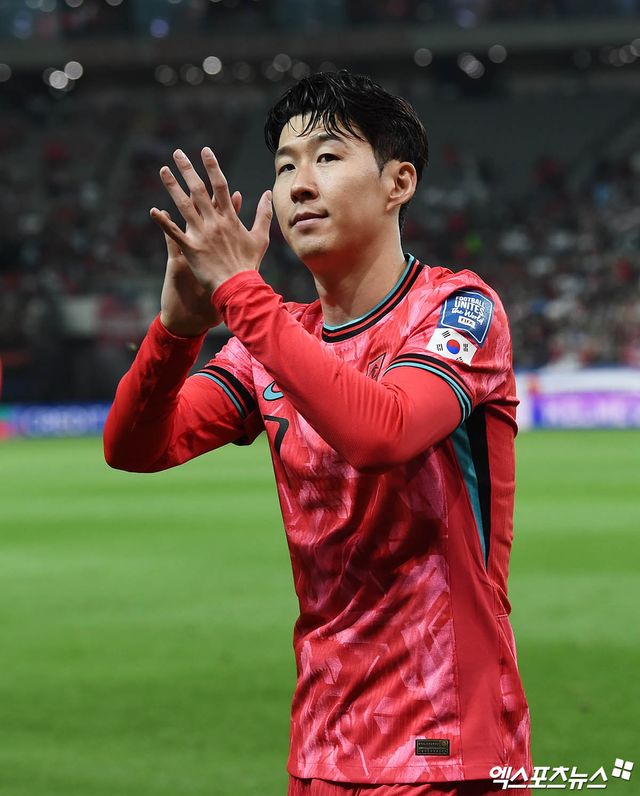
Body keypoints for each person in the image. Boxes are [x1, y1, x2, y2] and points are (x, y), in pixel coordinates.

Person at [104, 71, 531, 795]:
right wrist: (176, 330)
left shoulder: (459, 309)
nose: (300, 184)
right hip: (323, 749)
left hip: (448, 748)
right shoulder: (274, 343)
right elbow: (136, 447)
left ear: (398, 182)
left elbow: (383, 432)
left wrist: (240, 292)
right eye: (284, 167)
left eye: (328, 157)